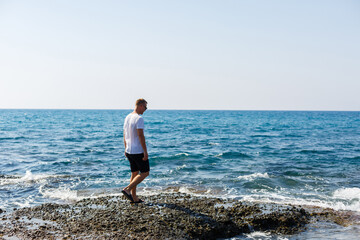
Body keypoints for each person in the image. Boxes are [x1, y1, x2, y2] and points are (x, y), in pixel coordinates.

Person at [122, 98, 149, 203]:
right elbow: (141, 136)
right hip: (138, 151)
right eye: (145, 107)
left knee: (134, 174)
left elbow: (124, 134)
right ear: (141, 105)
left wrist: (125, 148)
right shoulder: (139, 118)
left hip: (129, 150)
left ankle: (134, 197)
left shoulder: (127, 117)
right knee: (145, 172)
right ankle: (127, 189)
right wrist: (145, 152)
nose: (145, 110)